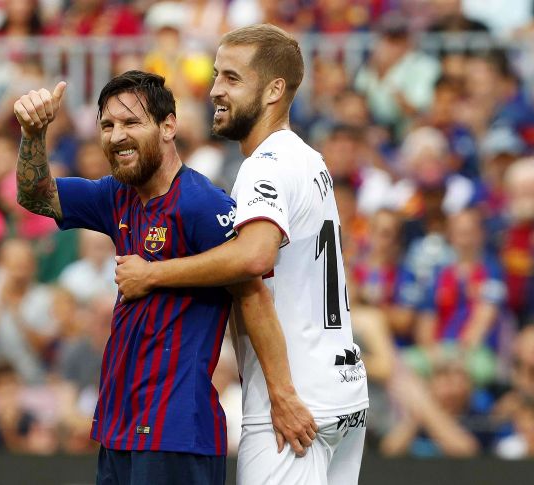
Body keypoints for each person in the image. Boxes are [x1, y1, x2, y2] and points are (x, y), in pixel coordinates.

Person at [12, 69, 314, 484]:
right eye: (108, 125)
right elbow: (36, 195)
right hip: (119, 427)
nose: (117, 135)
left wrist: (281, 394)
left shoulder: (201, 204)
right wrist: (33, 133)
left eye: (131, 122)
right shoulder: (115, 196)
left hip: (174, 430)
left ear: (168, 126)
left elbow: (253, 292)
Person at [115, 24, 369, 485]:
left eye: (232, 78)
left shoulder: (264, 165)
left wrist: (152, 274)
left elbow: (255, 257)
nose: (215, 90)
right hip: (343, 391)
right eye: (216, 76)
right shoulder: (310, 159)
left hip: (295, 401)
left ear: (274, 90)